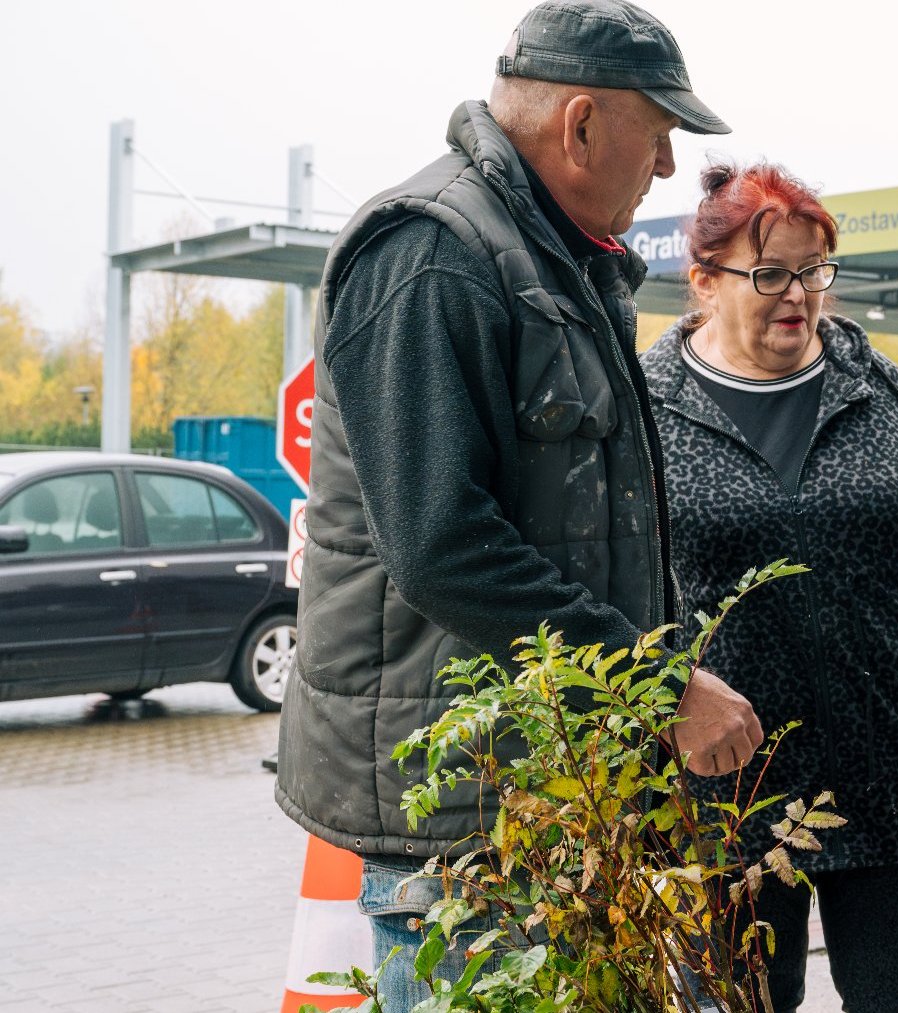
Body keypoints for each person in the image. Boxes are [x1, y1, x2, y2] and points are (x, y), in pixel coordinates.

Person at [274, 2, 764, 1003]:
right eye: (659, 133)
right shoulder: (433, 256)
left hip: (546, 803)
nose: (669, 166)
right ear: (580, 124)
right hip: (466, 832)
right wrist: (659, 685)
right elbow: (441, 544)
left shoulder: (549, 259)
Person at [641, 161, 898, 1013]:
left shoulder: (880, 386)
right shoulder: (646, 409)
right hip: (726, 796)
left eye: (814, 271)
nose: (799, 295)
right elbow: (617, 588)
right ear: (705, 282)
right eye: (771, 274)